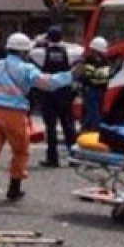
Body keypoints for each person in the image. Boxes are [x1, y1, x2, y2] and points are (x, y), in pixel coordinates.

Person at [0, 32, 74, 204]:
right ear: (23, 52)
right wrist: (70, 76)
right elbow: (48, 83)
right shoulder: (26, 69)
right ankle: (14, 189)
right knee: (20, 151)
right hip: (15, 114)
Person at [31, 26, 78, 167]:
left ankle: (52, 158)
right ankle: (74, 157)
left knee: (50, 127)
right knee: (68, 125)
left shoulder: (40, 53)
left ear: (48, 38)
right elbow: (81, 50)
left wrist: (39, 41)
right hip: (64, 92)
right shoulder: (70, 53)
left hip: (48, 91)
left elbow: (30, 50)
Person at [78, 37, 113, 133]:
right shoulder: (106, 61)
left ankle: (92, 131)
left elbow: (87, 75)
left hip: (90, 90)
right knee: (95, 112)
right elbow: (107, 76)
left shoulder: (90, 59)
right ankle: (88, 129)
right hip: (101, 90)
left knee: (92, 113)